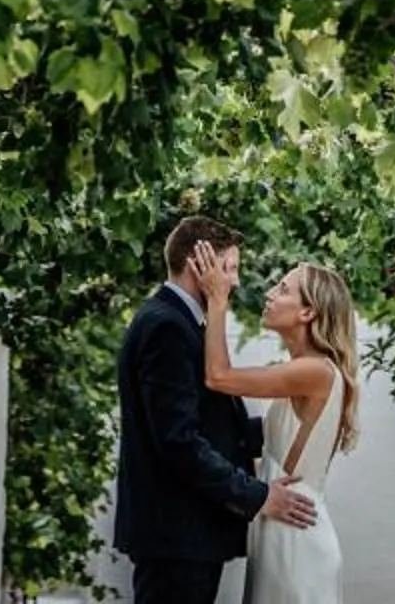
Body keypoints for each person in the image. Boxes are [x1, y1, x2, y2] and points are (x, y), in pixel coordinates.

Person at [114, 216, 319, 604]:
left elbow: (211, 426)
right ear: (200, 264)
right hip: (177, 535)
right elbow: (179, 442)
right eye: (230, 269)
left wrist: (300, 424)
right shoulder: (167, 327)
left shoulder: (177, 322)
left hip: (184, 536)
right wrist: (257, 495)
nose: (236, 282)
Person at [190, 243, 358, 604]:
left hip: (297, 538)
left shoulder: (315, 371)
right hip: (281, 525)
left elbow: (218, 376)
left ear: (308, 312)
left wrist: (217, 300)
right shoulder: (303, 369)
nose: (269, 293)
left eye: (283, 289)